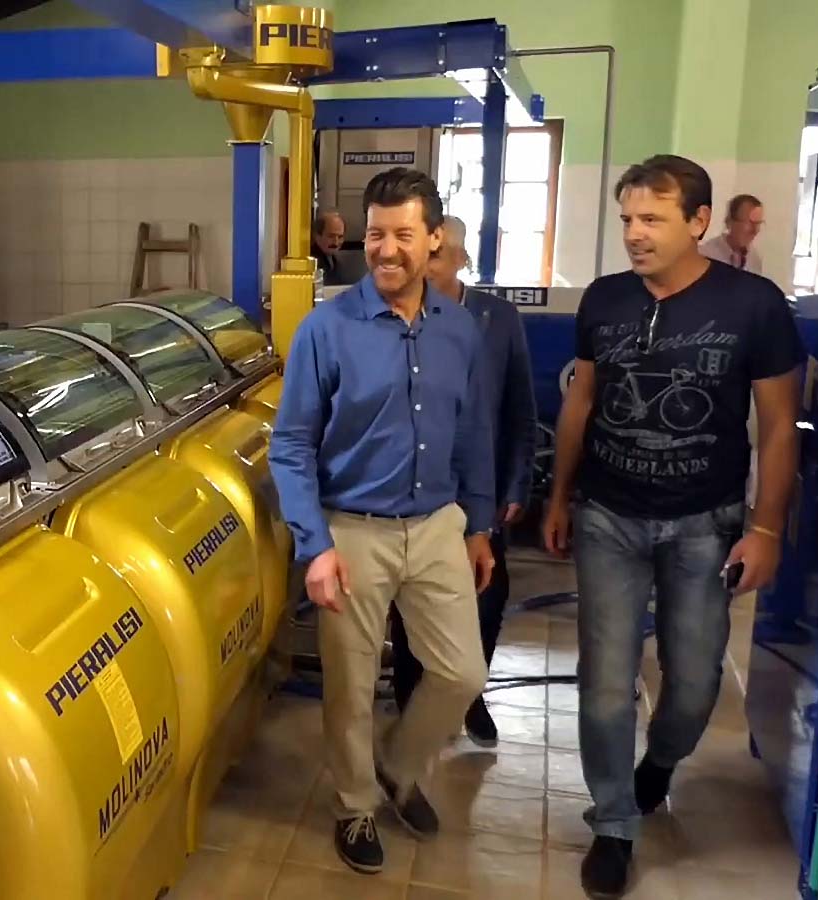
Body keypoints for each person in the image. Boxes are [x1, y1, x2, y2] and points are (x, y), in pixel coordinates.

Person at [541, 156, 802, 898]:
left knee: (692, 685)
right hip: (608, 518)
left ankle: (657, 766)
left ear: (698, 221)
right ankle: (614, 823)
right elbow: (581, 402)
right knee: (605, 685)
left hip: (704, 525)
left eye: (652, 219)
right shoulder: (605, 299)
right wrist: (559, 496)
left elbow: (778, 426)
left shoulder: (754, 305)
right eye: (627, 218)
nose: (634, 233)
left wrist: (766, 529)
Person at [271, 168, 496, 876]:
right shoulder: (326, 329)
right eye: (375, 235)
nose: (387, 249)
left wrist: (479, 525)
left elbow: (472, 434)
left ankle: (398, 768)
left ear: (434, 241)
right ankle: (355, 804)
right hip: (352, 529)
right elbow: (291, 445)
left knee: (462, 672)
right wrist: (314, 545)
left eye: (403, 234)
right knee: (351, 685)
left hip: (436, 525)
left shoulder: (459, 330)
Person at [389, 215, 537, 747]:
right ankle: (412, 710)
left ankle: (470, 694)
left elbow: (519, 408)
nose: (427, 263)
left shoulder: (497, 319)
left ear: (461, 259)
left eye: (439, 253)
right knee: (411, 608)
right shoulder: (397, 316)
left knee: (487, 597)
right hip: (418, 491)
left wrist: (516, 484)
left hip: (481, 492)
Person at [698, 194, 765, 274]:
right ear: (729, 222)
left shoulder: (754, 260)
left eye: (758, 223)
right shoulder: (705, 255)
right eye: (750, 223)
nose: (755, 230)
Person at [313, 209, 346, 283]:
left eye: (340, 237)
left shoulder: (336, 262)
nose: (336, 242)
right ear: (317, 236)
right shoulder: (312, 264)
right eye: (331, 236)